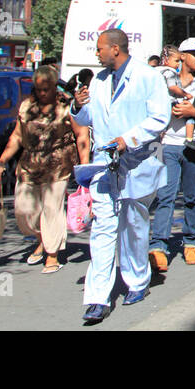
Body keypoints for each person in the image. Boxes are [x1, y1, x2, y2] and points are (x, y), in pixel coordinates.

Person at [71, 29, 170, 325]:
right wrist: (78, 106)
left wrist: (129, 138)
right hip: (104, 167)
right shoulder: (99, 81)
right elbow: (89, 119)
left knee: (134, 228)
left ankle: (138, 281)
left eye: (100, 48)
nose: (96, 54)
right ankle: (97, 299)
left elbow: (159, 117)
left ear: (115, 49)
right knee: (102, 231)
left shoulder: (147, 77)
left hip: (136, 164)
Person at [0, 65, 88, 273]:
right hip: (29, 164)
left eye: (46, 89)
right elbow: (17, 136)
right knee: (24, 211)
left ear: (54, 86)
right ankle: (43, 239)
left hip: (58, 163)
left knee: (52, 209)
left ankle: (52, 254)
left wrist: (85, 168)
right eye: (38, 88)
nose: (42, 93)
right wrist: (2, 161)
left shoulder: (66, 105)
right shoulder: (27, 106)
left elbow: (82, 136)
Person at [149, 37, 195, 273]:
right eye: (194, 54)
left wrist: (193, 112)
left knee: (192, 196)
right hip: (168, 145)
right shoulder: (163, 79)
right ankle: (159, 245)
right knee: (166, 195)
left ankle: (191, 240)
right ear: (181, 56)